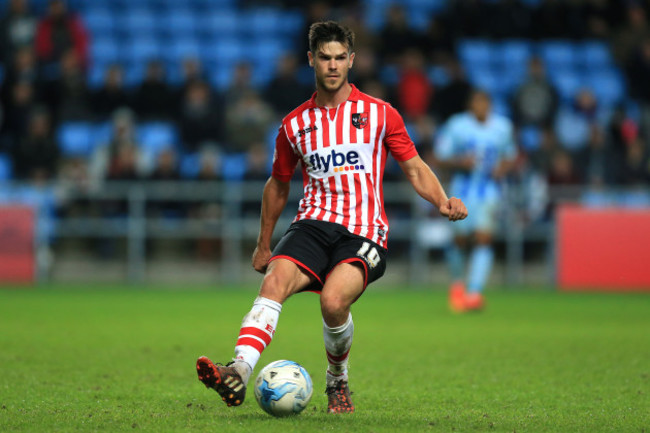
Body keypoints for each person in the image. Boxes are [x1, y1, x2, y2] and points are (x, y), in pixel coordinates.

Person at [196, 21, 467, 414]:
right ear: (311, 60)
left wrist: (441, 200)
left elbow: (414, 166)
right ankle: (238, 369)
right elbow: (278, 185)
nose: (333, 65)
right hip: (312, 223)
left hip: (364, 230)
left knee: (333, 302)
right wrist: (263, 243)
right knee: (274, 281)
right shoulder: (294, 125)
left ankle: (337, 381)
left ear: (352, 60)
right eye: (325, 57)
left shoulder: (379, 114)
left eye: (341, 57)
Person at [434, 90, 517, 312]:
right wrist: (460, 162)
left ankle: (474, 292)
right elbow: (439, 156)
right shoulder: (457, 125)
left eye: (484, 103)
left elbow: (511, 155)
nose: (481, 107)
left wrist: (502, 168)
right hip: (461, 192)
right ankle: (457, 285)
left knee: (483, 239)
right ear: (470, 105)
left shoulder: (503, 127)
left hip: (489, 192)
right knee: (459, 241)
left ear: (489, 105)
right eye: (476, 102)